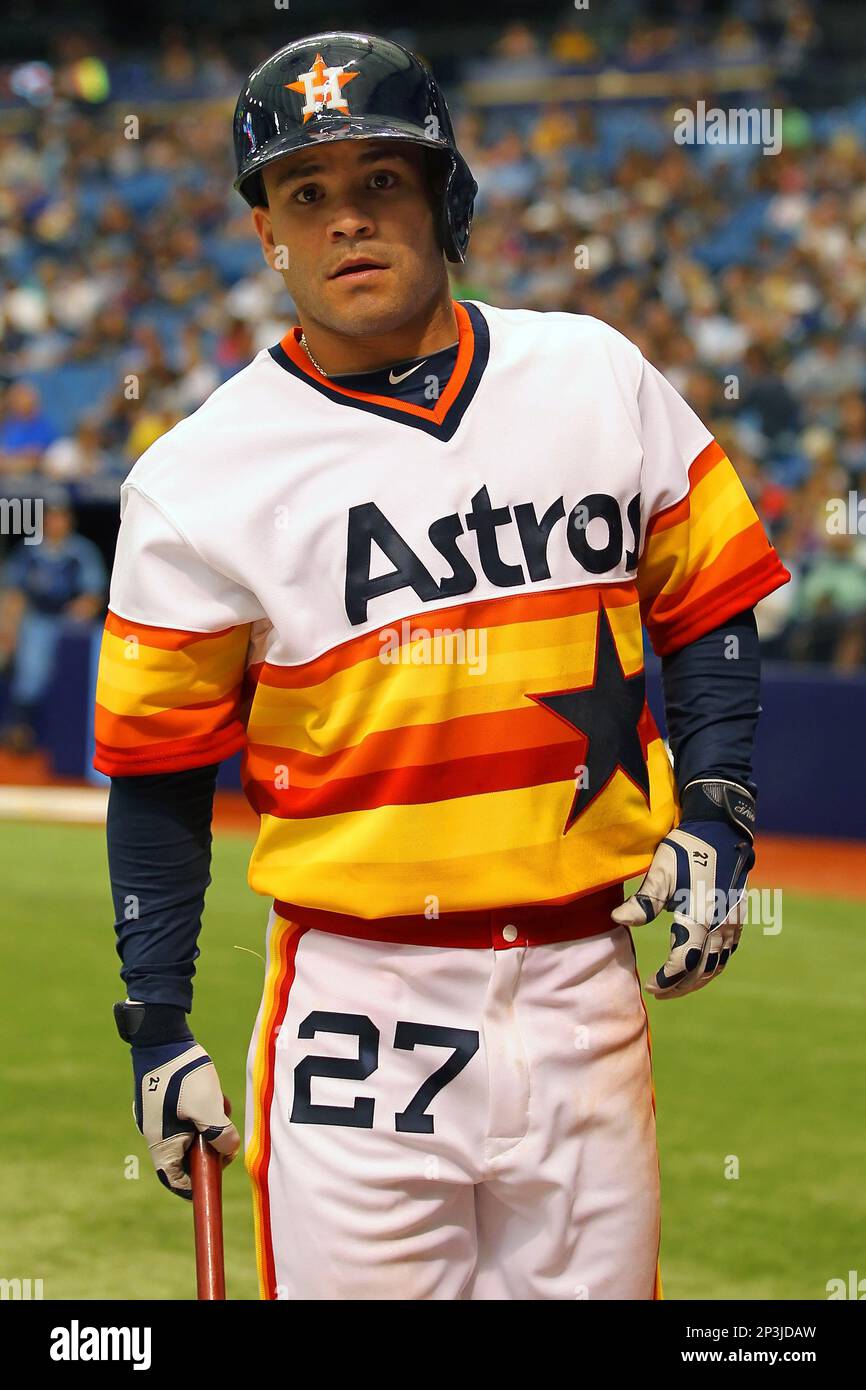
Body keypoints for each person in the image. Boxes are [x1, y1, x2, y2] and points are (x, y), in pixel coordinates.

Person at [95, 32, 790, 1301]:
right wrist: (154, 1025)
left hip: (586, 982)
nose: (347, 221)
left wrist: (716, 819)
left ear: (443, 200)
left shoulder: (592, 374)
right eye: (306, 194)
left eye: (381, 182)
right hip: (355, 1011)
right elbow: (156, 776)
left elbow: (709, 604)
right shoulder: (194, 476)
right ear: (267, 233)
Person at [1, 495, 106, 751]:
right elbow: (14, 594)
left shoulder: (81, 551)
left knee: (84, 659)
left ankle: (72, 736)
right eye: (51, 517)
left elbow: (93, 596)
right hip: (37, 619)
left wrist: (77, 615)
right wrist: (9, 627)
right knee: (32, 665)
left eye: (61, 517)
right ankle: (22, 730)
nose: (56, 522)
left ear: (70, 521)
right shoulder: (30, 551)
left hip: (71, 623)